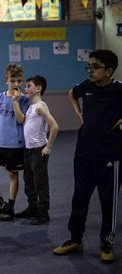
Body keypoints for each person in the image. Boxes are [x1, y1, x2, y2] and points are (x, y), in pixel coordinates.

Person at [53, 49, 122, 262]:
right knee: (79, 198)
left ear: (108, 70)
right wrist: (79, 113)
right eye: (89, 66)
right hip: (83, 153)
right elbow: (72, 93)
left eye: (95, 67)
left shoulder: (119, 89)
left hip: (109, 155)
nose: (90, 70)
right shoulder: (86, 86)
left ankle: (106, 244)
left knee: (107, 201)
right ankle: (75, 239)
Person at [0, 63, 30, 221]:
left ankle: (10, 206)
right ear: (7, 81)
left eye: (19, 81)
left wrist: (16, 102)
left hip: (15, 144)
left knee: (12, 174)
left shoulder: (24, 99)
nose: (16, 84)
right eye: (13, 80)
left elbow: (21, 119)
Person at [16, 75, 59, 225]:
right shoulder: (31, 107)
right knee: (29, 182)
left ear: (38, 89)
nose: (25, 89)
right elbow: (22, 121)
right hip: (28, 150)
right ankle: (33, 208)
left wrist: (48, 146)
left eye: (28, 86)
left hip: (38, 150)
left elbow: (55, 126)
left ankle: (43, 213)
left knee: (40, 183)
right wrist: (15, 102)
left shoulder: (40, 106)